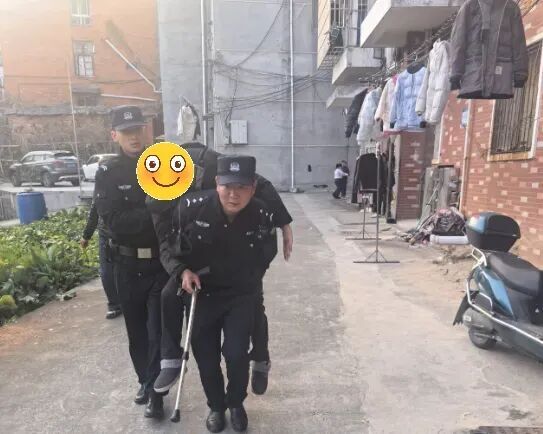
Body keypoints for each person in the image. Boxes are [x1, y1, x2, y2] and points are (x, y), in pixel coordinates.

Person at [148, 141, 293, 398]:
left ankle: (261, 357)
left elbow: (257, 181)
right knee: (169, 294)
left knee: (253, 302)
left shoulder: (205, 163)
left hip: (239, 253)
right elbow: (166, 243)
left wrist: (284, 222)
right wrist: (180, 270)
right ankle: (171, 360)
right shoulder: (158, 197)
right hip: (198, 255)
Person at [94, 105, 168, 418]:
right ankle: (145, 381)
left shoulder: (162, 164)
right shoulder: (108, 172)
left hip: (161, 265)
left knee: (157, 331)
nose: (134, 136)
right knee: (136, 332)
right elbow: (114, 222)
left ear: (145, 130)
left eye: (137, 129)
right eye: (126, 132)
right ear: (115, 135)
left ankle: (155, 392)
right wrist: (155, 209)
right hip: (126, 266)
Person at [80, 192, 122, 320]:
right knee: (107, 271)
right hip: (110, 233)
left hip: (125, 231)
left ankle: (120, 304)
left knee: (118, 269)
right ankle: (116, 304)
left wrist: (86, 236)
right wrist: (86, 235)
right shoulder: (103, 184)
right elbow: (95, 208)